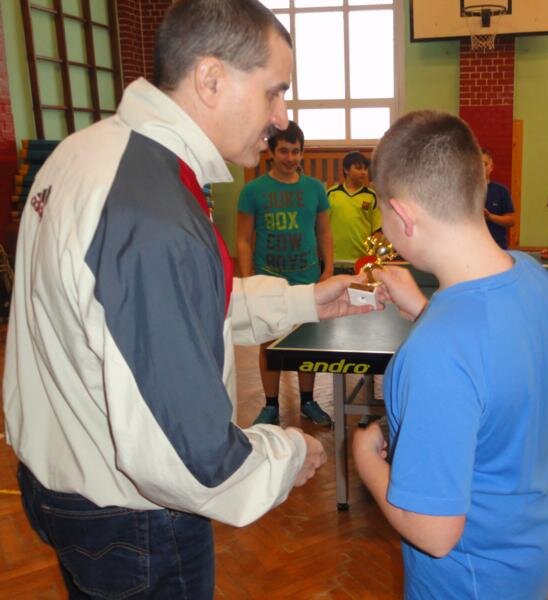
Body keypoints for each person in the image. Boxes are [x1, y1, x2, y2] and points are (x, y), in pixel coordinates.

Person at [2, 2, 379, 597]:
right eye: (274, 92)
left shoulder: (88, 153)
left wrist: (305, 302)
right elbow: (187, 458)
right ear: (211, 78)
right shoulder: (150, 210)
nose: (281, 118)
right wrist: (285, 453)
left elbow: (160, 309)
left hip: (66, 483)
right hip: (134, 520)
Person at [352, 111, 548, 599]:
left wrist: (364, 459)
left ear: (403, 215)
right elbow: (491, 361)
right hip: (531, 548)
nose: (383, 225)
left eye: (381, 212)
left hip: (470, 578)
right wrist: (426, 310)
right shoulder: (532, 276)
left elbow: (434, 532)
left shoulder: (436, 353)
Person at [237, 121, 334, 427]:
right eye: (284, 151)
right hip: (268, 280)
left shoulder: (315, 189)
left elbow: (324, 232)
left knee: (306, 345)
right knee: (269, 344)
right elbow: (243, 239)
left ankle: (307, 401)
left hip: (307, 279)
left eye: (296, 151)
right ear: (271, 152)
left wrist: (328, 268)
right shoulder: (253, 191)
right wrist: (248, 277)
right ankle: (270, 405)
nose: (290, 158)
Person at [327, 150, 382, 264]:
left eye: (365, 169)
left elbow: (378, 230)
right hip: (333, 260)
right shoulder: (331, 194)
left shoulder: (372, 196)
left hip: (361, 262)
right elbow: (321, 228)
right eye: (358, 168)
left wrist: (370, 255)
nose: (363, 172)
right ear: (346, 170)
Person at [481, 148, 516, 249]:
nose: (481, 168)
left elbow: (511, 220)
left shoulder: (501, 191)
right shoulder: (464, 191)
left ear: (491, 167)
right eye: (478, 164)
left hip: (497, 247)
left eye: (485, 164)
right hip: (470, 247)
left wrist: (490, 217)